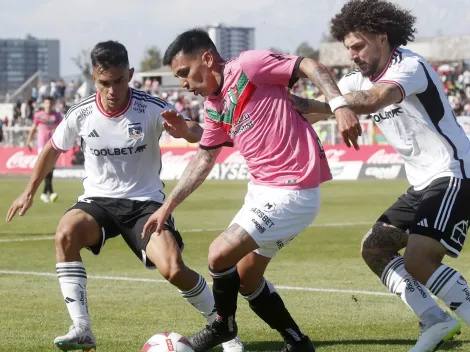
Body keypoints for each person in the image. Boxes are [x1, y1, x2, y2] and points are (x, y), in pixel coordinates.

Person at [6, 40, 243, 352]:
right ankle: (81, 328)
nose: (113, 89)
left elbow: (200, 132)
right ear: (94, 78)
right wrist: (28, 191)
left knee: (173, 269)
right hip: (98, 202)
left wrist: (183, 131)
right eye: (105, 83)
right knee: (65, 233)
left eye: (119, 81)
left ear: (130, 74)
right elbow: (52, 148)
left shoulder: (153, 107)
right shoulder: (82, 113)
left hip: (145, 203)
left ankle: (225, 331)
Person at [141, 29, 361, 352]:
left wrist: (339, 104)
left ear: (206, 58)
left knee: (218, 253)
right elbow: (205, 157)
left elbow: (310, 66)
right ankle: (298, 343)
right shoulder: (214, 106)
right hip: (261, 191)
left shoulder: (249, 66)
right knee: (246, 278)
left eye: (184, 73)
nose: (184, 84)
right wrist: (168, 205)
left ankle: (222, 326)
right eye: (179, 78)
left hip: (292, 189)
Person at [289, 1, 470, 351]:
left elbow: (374, 99)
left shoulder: (410, 66)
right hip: (422, 183)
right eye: (348, 49)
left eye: (358, 46)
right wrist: (285, 110)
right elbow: (326, 108)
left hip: (454, 172)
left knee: (419, 260)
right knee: (374, 249)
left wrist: (334, 105)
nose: (353, 55)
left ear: (382, 37)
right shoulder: (354, 79)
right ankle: (436, 320)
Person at [25, 96, 62, 203]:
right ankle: (49, 193)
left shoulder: (57, 116)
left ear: (54, 104)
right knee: (47, 168)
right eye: (46, 103)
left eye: (50, 103)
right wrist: (28, 141)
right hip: (42, 146)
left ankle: (46, 193)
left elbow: (62, 128)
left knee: (50, 168)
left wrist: (55, 131)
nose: (48, 105)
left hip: (54, 146)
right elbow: (33, 129)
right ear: (43, 104)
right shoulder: (38, 115)